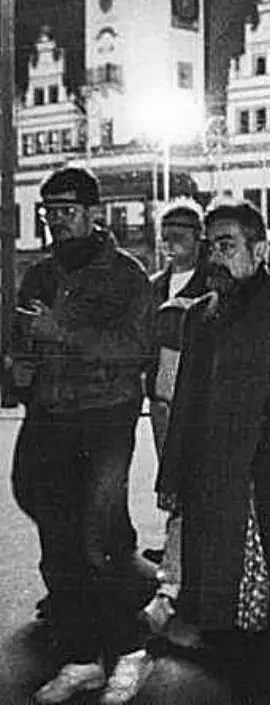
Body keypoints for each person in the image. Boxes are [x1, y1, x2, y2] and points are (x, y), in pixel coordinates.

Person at [153, 198, 270, 702]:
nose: (214, 258)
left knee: (264, 624)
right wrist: (171, 478)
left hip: (263, 486)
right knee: (217, 617)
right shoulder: (200, 315)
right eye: (211, 247)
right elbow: (184, 401)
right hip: (209, 484)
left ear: (260, 250)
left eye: (227, 246)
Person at [10, 166, 156, 705]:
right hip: (49, 414)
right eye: (49, 212)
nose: (56, 221)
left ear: (95, 213)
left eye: (67, 211)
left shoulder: (127, 276)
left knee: (98, 542)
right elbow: (24, 338)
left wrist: (61, 332)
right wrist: (20, 364)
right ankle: (80, 657)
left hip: (104, 418)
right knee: (58, 541)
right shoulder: (39, 274)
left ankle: (129, 649)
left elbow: (136, 349)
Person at [140, 198, 210, 647]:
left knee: (189, 486)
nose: (171, 241)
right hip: (162, 402)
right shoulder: (154, 286)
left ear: (198, 236)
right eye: (165, 233)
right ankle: (174, 567)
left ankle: (175, 582)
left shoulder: (212, 283)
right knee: (172, 487)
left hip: (196, 403)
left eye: (180, 232)